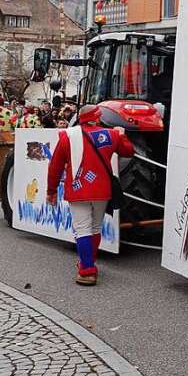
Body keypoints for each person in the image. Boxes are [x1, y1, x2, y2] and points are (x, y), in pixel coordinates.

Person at [46, 105, 134, 286]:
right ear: (97, 117)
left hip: (78, 189)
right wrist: (122, 134)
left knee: (82, 229)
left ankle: (87, 269)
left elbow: (55, 167)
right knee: (94, 228)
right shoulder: (111, 135)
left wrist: (51, 191)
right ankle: (89, 264)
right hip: (102, 190)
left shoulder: (67, 136)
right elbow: (128, 152)